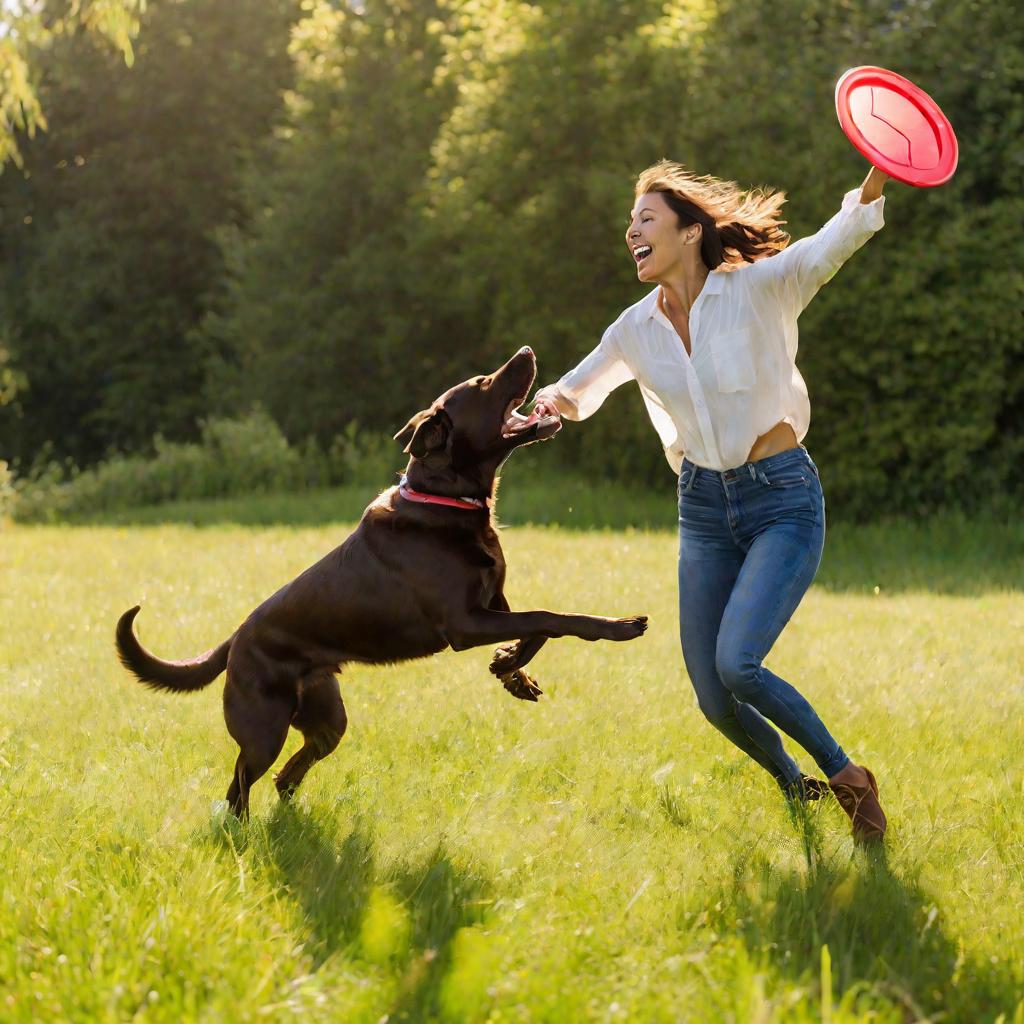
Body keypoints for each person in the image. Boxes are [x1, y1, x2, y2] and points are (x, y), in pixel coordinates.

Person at [524, 160, 889, 842]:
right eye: (630, 223)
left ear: (691, 232)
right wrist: (540, 409)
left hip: (781, 499)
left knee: (737, 662)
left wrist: (872, 183)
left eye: (646, 219)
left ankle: (847, 778)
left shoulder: (758, 289)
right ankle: (796, 790)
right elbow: (577, 391)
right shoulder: (635, 328)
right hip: (703, 510)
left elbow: (830, 244)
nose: (632, 231)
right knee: (714, 699)